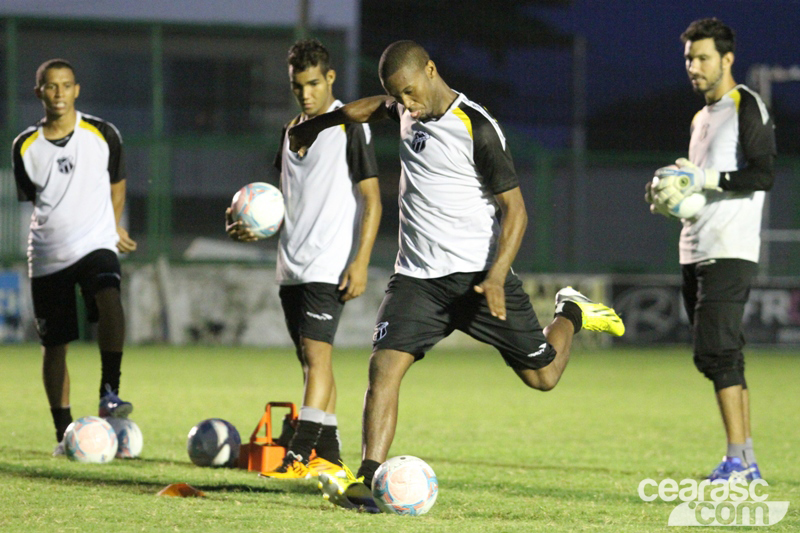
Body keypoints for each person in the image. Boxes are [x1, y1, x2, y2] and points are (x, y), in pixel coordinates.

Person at [288, 40, 625, 512]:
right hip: (417, 279)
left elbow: (517, 212)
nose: (405, 104)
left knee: (544, 376)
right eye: (398, 96)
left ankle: (571, 310)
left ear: (430, 69)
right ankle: (366, 480)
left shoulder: (477, 128)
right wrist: (320, 124)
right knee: (384, 368)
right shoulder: (406, 108)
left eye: (409, 92)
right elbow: (369, 109)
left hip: (477, 278)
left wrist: (496, 276)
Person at [226, 39, 382, 479]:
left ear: (330, 78)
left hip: (327, 264)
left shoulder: (349, 127)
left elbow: (372, 199)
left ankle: (297, 453)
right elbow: (279, 204)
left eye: (313, 83)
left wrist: (360, 261)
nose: (306, 93)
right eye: (298, 86)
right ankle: (329, 455)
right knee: (314, 361)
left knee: (317, 357)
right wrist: (246, 224)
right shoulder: (290, 130)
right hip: (290, 266)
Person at [647, 18, 776, 481]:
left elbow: (763, 174)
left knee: (716, 352)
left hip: (731, 247)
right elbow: (698, 190)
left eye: (702, 57)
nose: (694, 66)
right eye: (688, 58)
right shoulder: (700, 117)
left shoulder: (747, 105)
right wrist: (673, 200)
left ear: (727, 59)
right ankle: (743, 459)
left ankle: (741, 462)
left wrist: (705, 179)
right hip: (694, 246)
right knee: (719, 355)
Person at [12, 59, 138, 455]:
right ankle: (63, 431)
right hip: (49, 253)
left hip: (96, 244)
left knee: (109, 295)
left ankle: (109, 391)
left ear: (77, 90)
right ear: (40, 93)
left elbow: (117, 183)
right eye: (51, 86)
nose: (59, 93)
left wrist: (113, 226)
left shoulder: (103, 133)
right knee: (55, 345)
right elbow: (35, 198)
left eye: (66, 85)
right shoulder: (25, 146)